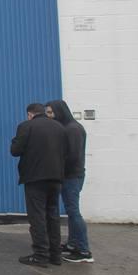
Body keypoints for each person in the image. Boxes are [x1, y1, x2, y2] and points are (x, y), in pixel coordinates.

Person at [10, 103, 69, 267]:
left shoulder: (26, 126)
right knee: (52, 215)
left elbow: (15, 150)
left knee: (37, 217)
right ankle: (55, 255)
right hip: (56, 177)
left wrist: (15, 140)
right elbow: (67, 152)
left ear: (30, 114)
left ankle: (40, 255)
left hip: (35, 178)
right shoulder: (60, 127)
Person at [46, 100, 93, 263]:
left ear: (60, 111)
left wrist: (57, 167)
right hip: (70, 175)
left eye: (51, 113)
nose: (49, 116)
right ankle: (73, 244)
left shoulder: (72, 129)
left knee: (73, 212)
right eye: (47, 113)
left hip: (71, 176)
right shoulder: (69, 128)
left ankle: (84, 250)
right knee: (70, 210)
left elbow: (72, 156)